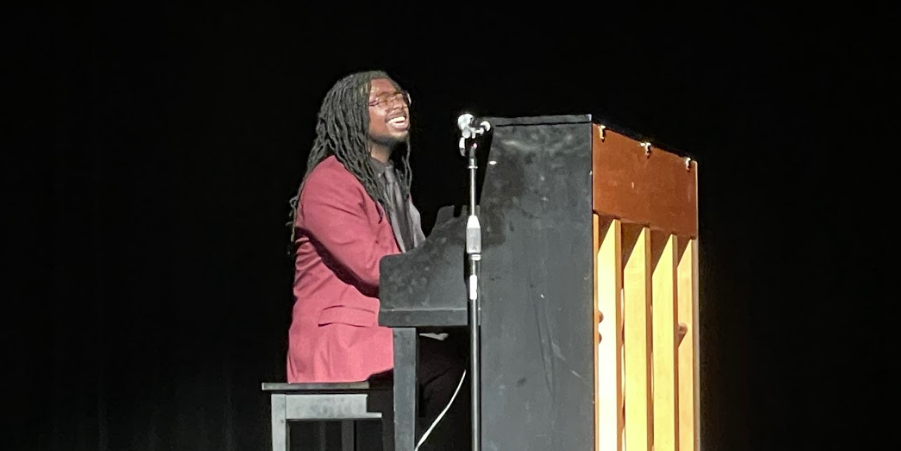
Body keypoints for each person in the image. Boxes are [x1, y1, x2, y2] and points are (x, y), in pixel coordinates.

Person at [286, 70, 470, 450]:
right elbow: (375, 267)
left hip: (387, 334)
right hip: (346, 339)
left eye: (399, 96)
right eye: (381, 100)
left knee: (474, 358)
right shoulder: (330, 182)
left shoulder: (391, 182)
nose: (397, 104)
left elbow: (419, 258)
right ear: (352, 115)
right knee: (451, 372)